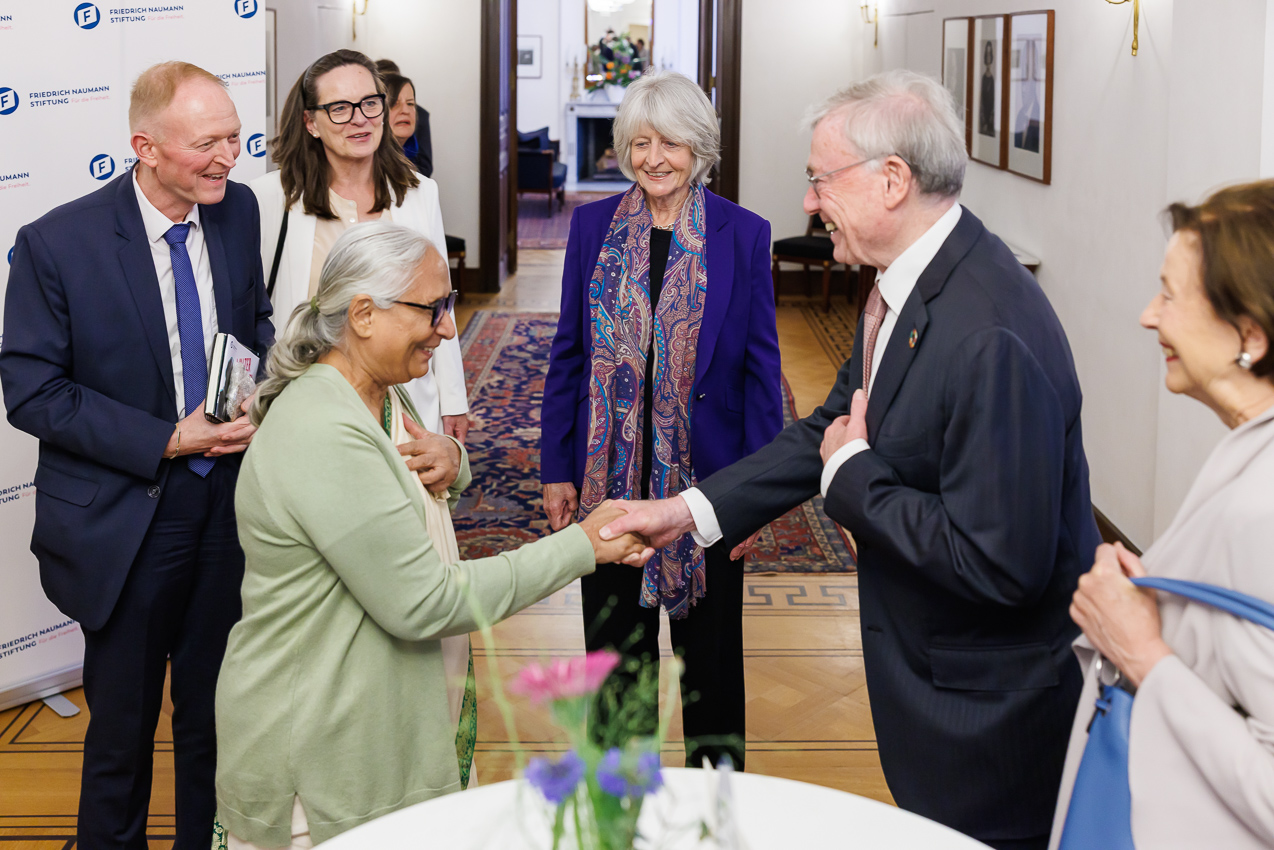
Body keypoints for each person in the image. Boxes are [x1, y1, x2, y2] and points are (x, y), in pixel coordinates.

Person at [600, 69, 1101, 850]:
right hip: (937, 700)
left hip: (986, 728)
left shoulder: (989, 331)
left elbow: (1003, 565)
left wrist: (855, 478)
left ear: (892, 180)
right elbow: (823, 432)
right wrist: (683, 513)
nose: (808, 202)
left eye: (820, 179)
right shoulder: (910, 289)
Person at [214, 222, 645, 847]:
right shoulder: (322, 429)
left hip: (379, 724)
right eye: (433, 308)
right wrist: (583, 545)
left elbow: (401, 495)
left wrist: (454, 459)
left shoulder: (379, 395)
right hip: (321, 747)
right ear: (364, 314)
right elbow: (423, 601)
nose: (447, 329)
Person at [0, 62, 273, 849]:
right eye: (207, 143)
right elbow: (33, 392)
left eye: (234, 138)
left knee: (216, 718)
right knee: (121, 732)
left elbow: (253, 322)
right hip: (127, 518)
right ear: (145, 147)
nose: (228, 158)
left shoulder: (238, 210)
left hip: (227, 505)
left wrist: (253, 392)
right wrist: (169, 438)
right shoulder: (57, 244)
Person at [540, 71, 783, 771]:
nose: (654, 159)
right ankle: (619, 803)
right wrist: (557, 468)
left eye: (670, 142)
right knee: (617, 662)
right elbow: (569, 354)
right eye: (640, 143)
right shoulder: (591, 227)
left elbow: (761, 373)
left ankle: (718, 803)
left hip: (709, 488)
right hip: (608, 489)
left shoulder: (743, 233)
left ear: (698, 147)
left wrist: (754, 497)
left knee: (713, 670)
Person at [1050, 182, 1274, 850]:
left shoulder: (1261, 508)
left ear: (1251, 335)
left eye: (1170, 295)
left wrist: (1140, 652)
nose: (1150, 316)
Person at [252, 49, 466, 443]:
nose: (359, 118)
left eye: (370, 103)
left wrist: (453, 399)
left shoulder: (420, 193)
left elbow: (439, 302)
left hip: (405, 407)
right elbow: (253, 313)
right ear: (310, 122)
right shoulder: (270, 198)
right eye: (339, 108)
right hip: (307, 408)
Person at [375, 58, 432, 178]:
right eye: (395, 104)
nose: (405, 111)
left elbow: (425, 168)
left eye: (410, 103)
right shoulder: (367, 169)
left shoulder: (426, 184)